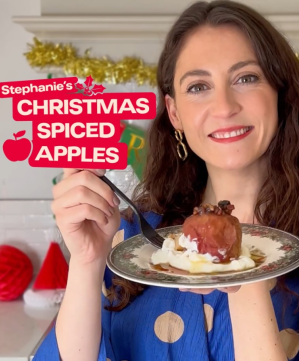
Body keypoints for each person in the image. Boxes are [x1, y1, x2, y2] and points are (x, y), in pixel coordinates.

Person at [33, 1, 299, 360]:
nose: (224, 106)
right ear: (175, 113)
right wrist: (87, 262)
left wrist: (245, 272)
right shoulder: (134, 240)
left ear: (280, 94)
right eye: (198, 86)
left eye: (246, 78)